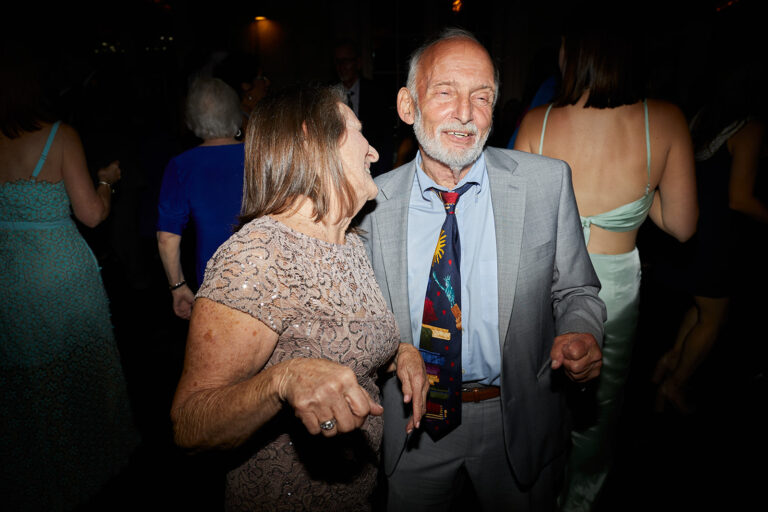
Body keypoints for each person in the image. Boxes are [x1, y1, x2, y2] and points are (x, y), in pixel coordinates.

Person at [357, 28, 606, 511]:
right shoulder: (369, 205)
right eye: (445, 93)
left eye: (482, 96)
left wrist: (581, 331)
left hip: (514, 417)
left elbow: (578, 290)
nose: (466, 113)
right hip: (413, 423)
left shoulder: (545, 184)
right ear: (408, 106)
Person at [170, 84, 428, 512]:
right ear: (313, 139)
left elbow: (348, 347)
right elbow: (189, 424)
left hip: (357, 496)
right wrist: (283, 381)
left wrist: (402, 352)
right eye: (358, 131)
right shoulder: (257, 257)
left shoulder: (348, 241)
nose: (373, 152)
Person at [514, 21, 698, 512]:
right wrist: (637, 197)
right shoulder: (665, 120)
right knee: (599, 409)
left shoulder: (537, 123)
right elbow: (682, 226)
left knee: (539, 396)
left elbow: (515, 226)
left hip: (547, 285)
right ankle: (578, 500)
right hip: (612, 290)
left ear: (574, 52)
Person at [0, 46, 140, 511]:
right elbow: (92, 214)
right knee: (78, 371)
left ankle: (34, 473)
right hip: (58, 274)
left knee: (26, 378)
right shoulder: (60, 136)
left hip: (8, 276)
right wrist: (107, 180)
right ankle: (86, 469)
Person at [652, 57, 768, 414]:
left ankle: (671, 361)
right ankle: (675, 383)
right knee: (714, 317)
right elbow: (740, 198)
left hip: (690, 232)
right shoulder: (749, 129)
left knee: (701, 308)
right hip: (716, 240)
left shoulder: (702, 120)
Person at [156, 76, 245, 319]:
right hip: (269, 275)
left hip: (216, 283)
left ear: (192, 119)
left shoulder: (181, 166)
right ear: (236, 113)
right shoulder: (262, 155)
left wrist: (178, 286)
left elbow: (167, 237)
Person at [334, 40, 397, 177]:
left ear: (358, 63)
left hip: (373, 168)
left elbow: (386, 137)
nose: (342, 66)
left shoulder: (376, 93)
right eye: (338, 61)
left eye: (346, 61)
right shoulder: (329, 95)